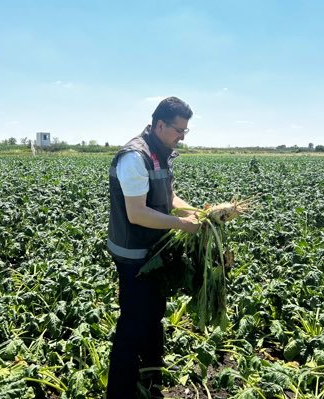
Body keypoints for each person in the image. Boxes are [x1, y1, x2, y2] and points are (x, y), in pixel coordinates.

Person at [106, 96, 199, 399]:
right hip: (134, 255)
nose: (182, 137)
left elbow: (169, 197)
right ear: (160, 125)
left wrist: (194, 212)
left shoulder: (162, 152)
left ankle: (150, 377)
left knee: (153, 313)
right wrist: (182, 225)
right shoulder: (135, 157)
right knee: (133, 322)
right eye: (178, 131)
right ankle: (120, 391)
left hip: (154, 251)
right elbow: (138, 213)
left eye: (185, 131)